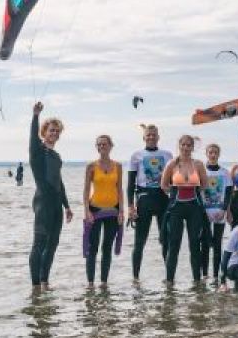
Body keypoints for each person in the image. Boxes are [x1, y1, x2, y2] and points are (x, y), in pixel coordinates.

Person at [28, 102, 73, 291]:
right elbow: (32, 138)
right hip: (43, 203)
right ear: (44, 132)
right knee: (39, 244)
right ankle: (35, 286)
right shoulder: (37, 152)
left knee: (52, 246)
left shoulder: (56, 156)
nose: (54, 134)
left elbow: (59, 182)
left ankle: (45, 282)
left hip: (56, 206)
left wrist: (67, 206)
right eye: (51, 131)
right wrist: (36, 116)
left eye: (57, 132)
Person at [127, 124, 174, 281]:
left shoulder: (167, 155)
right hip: (144, 199)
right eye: (148, 135)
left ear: (158, 137)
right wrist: (130, 206)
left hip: (162, 200)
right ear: (144, 137)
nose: (151, 137)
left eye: (154, 134)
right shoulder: (136, 155)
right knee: (139, 242)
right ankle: (135, 278)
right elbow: (130, 183)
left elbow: (173, 181)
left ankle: (169, 278)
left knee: (165, 241)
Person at [161, 135, 208, 284]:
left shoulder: (198, 165)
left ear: (192, 147)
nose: (186, 148)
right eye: (183, 145)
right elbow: (164, 186)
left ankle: (196, 280)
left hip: (194, 207)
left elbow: (204, 185)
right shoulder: (172, 164)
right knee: (174, 244)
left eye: (189, 145)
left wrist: (190, 188)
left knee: (195, 243)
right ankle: (169, 281)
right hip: (176, 208)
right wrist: (175, 192)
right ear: (179, 146)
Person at [82, 135, 124, 285]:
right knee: (93, 247)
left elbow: (119, 190)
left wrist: (121, 212)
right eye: (99, 145)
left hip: (113, 211)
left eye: (104, 144)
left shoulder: (118, 166)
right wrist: (87, 211)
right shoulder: (91, 166)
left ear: (111, 146)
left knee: (107, 247)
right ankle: (91, 284)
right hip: (95, 210)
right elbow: (86, 190)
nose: (101, 147)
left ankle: (104, 283)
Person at [200, 143, 232, 281]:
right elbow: (198, 192)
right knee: (205, 243)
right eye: (210, 152)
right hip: (205, 213)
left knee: (218, 244)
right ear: (206, 154)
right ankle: (205, 274)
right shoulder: (202, 171)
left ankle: (215, 275)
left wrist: (224, 210)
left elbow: (229, 192)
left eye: (215, 152)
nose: (213, 155)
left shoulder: (224, 172)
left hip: (219, 212)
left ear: (218, 154)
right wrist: (202, 211)